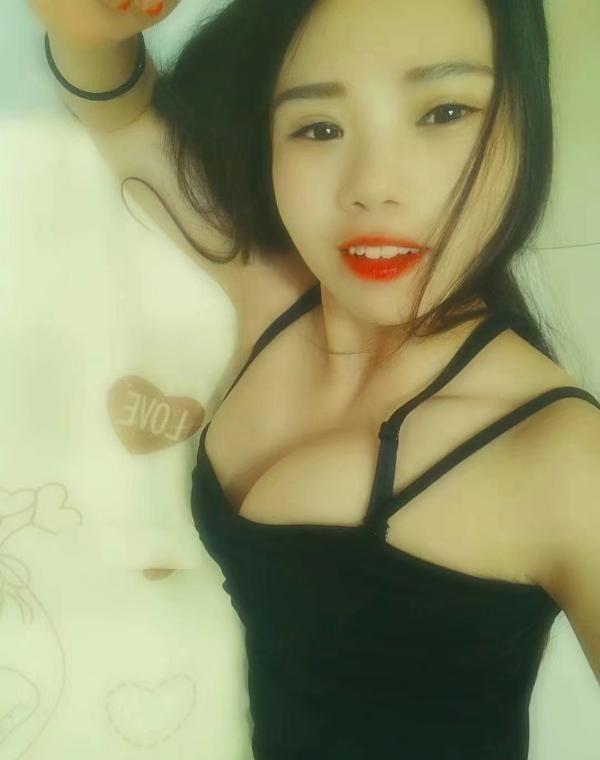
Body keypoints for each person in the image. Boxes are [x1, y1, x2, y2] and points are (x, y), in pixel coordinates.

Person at [36, 0, 600, 757]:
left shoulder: (563, 459)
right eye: (319, 127)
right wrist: (84, 27)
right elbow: (126, 119)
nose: (373, 186)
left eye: (443, 112)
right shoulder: (273, 294)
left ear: (526, 122)